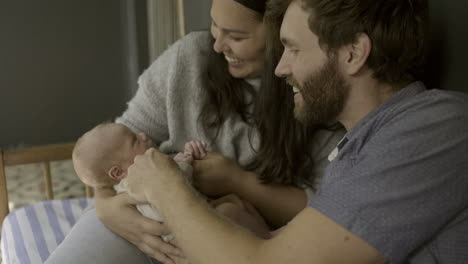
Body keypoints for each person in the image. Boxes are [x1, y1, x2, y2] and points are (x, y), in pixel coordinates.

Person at [123, 0, 468, 263]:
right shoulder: (364, 142)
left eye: (293, 49)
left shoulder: (434, 126)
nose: (280, 68)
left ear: (353, 52)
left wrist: (166, 186)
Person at [45, 0, 343, 263]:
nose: (218, 45)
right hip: (138, 225)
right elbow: (113, 148)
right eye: (215, 25)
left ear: (284, 34)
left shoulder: (317, 91)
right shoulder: (189, 58)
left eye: (236, 36)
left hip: (232, 243)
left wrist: (237, 181)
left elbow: (321, 209)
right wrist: (105, 206)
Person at [72, 123, 271, 241]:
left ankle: (268, 240)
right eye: (134, 140)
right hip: (187, 239)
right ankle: (268, 241)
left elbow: (175, 170)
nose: (143, 135)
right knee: (230, 212)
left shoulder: (149, 167)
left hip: (201, 221)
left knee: (234, 209)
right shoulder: (132, 189)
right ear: (118, 172)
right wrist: (183, 165)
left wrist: (190, 155)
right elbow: (164, 205)